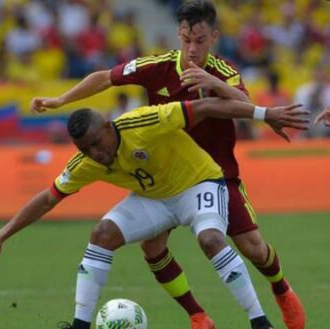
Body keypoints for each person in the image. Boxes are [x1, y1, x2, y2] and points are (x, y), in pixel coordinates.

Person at [29, 2, 306, 329]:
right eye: (186, 39)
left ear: (214, 37)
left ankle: (281, 289)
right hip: (164, 175)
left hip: (213, 174)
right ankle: (198, 315)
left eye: (200, 40)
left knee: (253, 249)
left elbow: (247, 107)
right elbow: (105, 78)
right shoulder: (157, 66)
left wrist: (212, 82)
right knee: (152, 245)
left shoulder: (223, 71)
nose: (192, 48)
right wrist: (61, 100)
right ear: (178, 34)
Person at [0, 99, 308, 329]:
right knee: (102, 234)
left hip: (199, 184)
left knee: (210, 239)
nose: (94, 153)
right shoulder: (88, 161)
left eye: (95, 143)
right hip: (155, 199)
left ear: (107, 125)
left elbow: (205, 106)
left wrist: (265, 114)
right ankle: (80, 324)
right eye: (84, 149)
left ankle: (259, 321)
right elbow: (47, 199)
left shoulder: (143, 121)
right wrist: (1, 235)